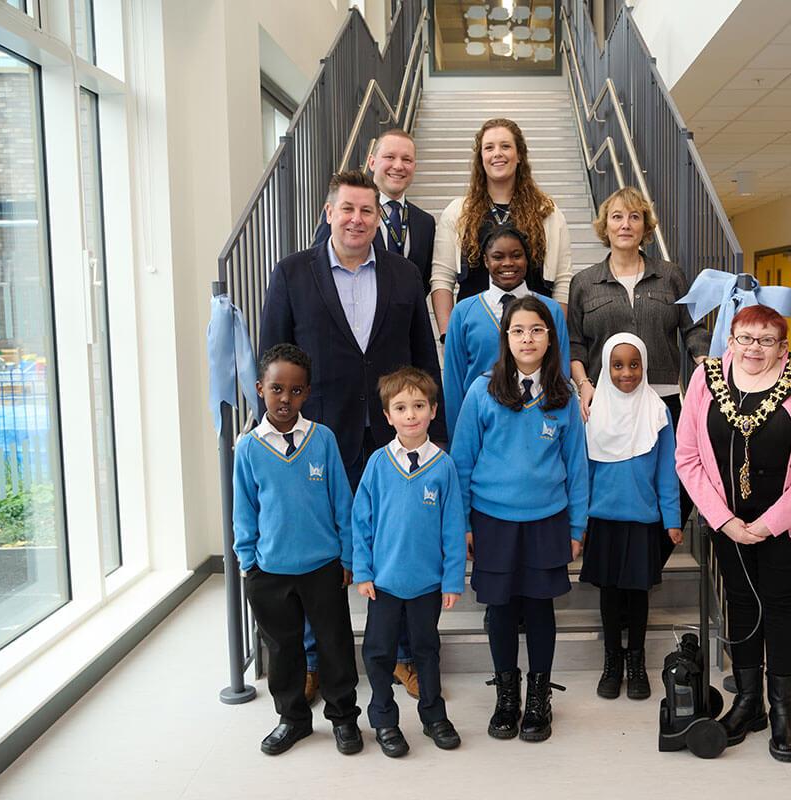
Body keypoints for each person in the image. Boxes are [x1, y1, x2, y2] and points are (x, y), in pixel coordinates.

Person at [259, 169, 444, 702]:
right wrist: (274, 426)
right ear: (329, 212)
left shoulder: (405, 274)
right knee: (322, 553)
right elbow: (275, 356)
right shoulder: (293, 273)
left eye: (367, 211)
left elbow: (422, 359)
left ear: (377, 216)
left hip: (393, 437)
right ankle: (316, 660)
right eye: (348, 209)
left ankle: (405, 657)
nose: (358, 219)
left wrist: (437, 432)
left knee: (397, 544)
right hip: (318, 437)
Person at [674, 301, 791, 763]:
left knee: (780, 602)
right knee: (741, 603)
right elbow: (687, 456)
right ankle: (748, 703)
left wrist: (772, 521)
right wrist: (723, 520)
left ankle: (783, 707)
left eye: (767, 340)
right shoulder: (708, 378)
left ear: (783, 347)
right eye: (745, 338)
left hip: (782, 522)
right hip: (727, 521)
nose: (754, 348)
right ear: (730, 340)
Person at [450, 296, 588, 743]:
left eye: (537, 330)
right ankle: (506, 695)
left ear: (551, 338)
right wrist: (465, 524)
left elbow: (578, 466)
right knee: (502, 610)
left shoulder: (563, 395)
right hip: (493, 521)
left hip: (548, 520)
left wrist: (577, 527)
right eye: (518, 331)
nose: (527, 339)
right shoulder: (481, 391)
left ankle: (538, 697)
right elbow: (463, 462)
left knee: (540, 608)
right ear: (505, 338)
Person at [232, 344, 363, 756]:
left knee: (335, 646)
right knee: (284, 651)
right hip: (270, 572)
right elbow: (244, 509)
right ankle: (292, 719)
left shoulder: (322, 439)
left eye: (295, 390)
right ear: (260, 389)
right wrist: (249, 562)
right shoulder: (249, 448)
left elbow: (342, 501)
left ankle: (344, 718)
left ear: (307, 393)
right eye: (276, 390)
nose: (285, 399)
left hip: (322, 567)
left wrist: (347, 556)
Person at [567, 186, 709, 529]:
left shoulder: (670, 275)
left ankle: (652, 559)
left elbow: (693, 328)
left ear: (646, 226)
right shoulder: (584, 283)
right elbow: (574, 344)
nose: (625, 224)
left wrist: (706, 363)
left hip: (663, 399)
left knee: (681, 482)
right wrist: (584, 384)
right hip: (608, 405)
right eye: (617, 217)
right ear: (606, 226)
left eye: (635, 217)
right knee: (619, 488)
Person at [352, 367, 466, 758]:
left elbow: (453, 528)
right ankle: (384, 718)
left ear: (433, 410)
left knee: (426, 651)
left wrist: (452, 580)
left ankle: (434, 716)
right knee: (379, 652)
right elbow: (361, 522)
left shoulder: (444, 466)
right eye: (401, 407)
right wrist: (363, 570)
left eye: (419, 405)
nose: (411, 414)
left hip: (427, 584)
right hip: (383, 583)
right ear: (388, 416)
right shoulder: (378, 465)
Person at [580, 333, 682, 701]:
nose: (627, 373)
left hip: (643, 521)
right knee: (609, 596)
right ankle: (613, 662)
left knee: (638, 596)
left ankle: (637, 662)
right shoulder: (592, 414)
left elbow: (667, 472)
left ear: (645, 367)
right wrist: (580, 524)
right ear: (606, 368)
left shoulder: (658, 411)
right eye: (618, 365)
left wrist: (671, 518)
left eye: (634, 364)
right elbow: (583, 476)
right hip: (603, 521)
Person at [429, 118, 573, 337]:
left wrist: (555, 335)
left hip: (533, 337)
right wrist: (448, 335)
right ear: (481, 158)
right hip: (475, 335)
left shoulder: (548, 213)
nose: (497, 153)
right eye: (489, 147)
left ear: (519, 156)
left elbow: (563, 281)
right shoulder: (458, 212)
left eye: (505, 146)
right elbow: (442, 277)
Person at [442, 224, 570, 439]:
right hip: (481, 425)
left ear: (527, 259)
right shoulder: (463, 312)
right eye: (498, 257)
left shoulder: (551, 310)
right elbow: (454, 382)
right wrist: (457, 436)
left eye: (516, 255)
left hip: (539, 424)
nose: (508, 263)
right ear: (485, 261)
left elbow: (561, 372)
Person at [313, 129, 436, 295]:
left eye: (406, 159)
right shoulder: (345, 217)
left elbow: (422, 281)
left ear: (414, 167)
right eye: (390, 157)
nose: (398, 166)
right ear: (371, 162)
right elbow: (317, 269)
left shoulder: (425, 223)